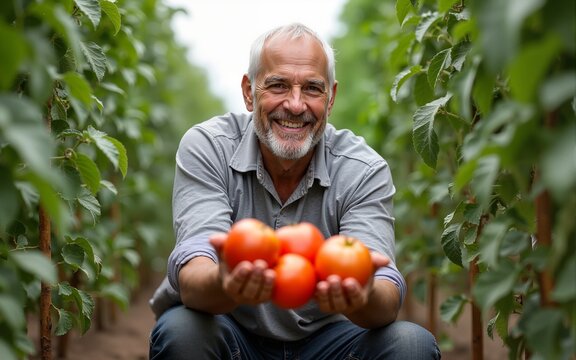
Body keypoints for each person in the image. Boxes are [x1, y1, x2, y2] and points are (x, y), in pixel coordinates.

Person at [148, 22, 440, 359]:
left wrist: (363, 296)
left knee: (411, 345)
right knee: (183, 331)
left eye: (313, 89)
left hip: (329, 340)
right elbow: (194, 274)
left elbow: (386, 295)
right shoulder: (209, 147)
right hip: (231, 333)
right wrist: (225, 283)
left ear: (331, 99)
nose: (296, 105)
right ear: (248, 91)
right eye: (278, 85)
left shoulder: (363, 168)